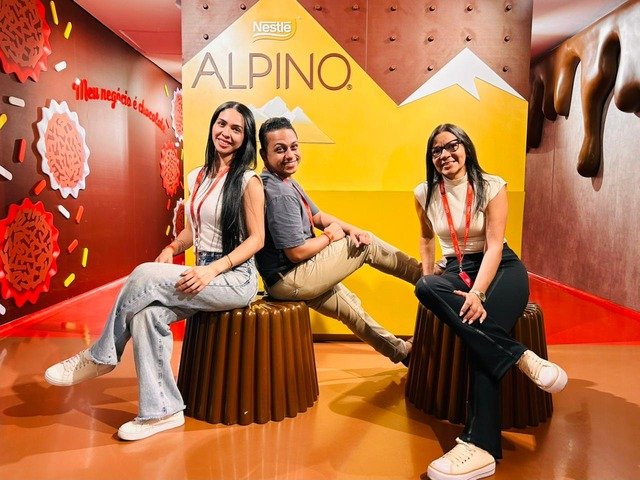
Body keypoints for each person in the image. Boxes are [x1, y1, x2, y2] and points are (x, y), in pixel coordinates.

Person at [44, 101, 265, 441]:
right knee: (147, 316)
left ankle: (101, 355)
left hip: (235, 277)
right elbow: (193, 231)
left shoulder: (248, 181)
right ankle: (162, 410)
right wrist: (172, 248)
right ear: (212, 125)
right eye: (222, 123)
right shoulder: (198, 176)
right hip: (203, 271)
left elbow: (257, 239)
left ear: (246, 138)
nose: (226, 133)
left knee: (142, 274)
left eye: (237, 129)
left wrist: (212, 271)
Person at [413, 123, 568, 480]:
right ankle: (522, 357)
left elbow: (495, 246)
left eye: (452, 146)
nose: (445, 155)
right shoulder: (424, 192)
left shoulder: (491, 186)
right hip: (456, 267)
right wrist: (430, 272)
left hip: (500, 268)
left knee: (476, 330)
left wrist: (478, 294)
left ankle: (479, 446)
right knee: (425, 287)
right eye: (436, 150)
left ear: (466, 148)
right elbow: (425, 238)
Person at [255, 117, 421, 365]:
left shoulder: (285, 181)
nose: (290, 155)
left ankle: (402, 353)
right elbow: (296, 252)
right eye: (280, 149)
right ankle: (424, 275)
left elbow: (318, 216)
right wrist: (330, 237)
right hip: (291, 277)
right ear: (264, 154)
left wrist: (354, 229)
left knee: (350, 308)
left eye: (294, 146)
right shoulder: (279, 193)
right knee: (366, 246)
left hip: (285, 279)